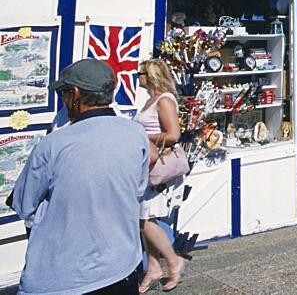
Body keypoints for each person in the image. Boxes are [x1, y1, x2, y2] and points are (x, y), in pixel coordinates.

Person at [11, 58, 149, 294]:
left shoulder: (53, 145)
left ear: (74, 94)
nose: (63, 101)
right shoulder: (136, 133)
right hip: (121, 267)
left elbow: (23, 204)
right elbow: (137, 189)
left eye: (64, 93)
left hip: (61, 279)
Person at [135, 59, 186, 293]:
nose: (138, 77)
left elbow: (173, 134)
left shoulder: (164, 100)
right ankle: (154, 268)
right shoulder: (150, 100)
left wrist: (140, 135)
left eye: (141, 73)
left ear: (152, 75)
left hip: (158, 165)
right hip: (146, 163)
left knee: (143, 219)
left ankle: (173, 260)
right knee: (144, 217)